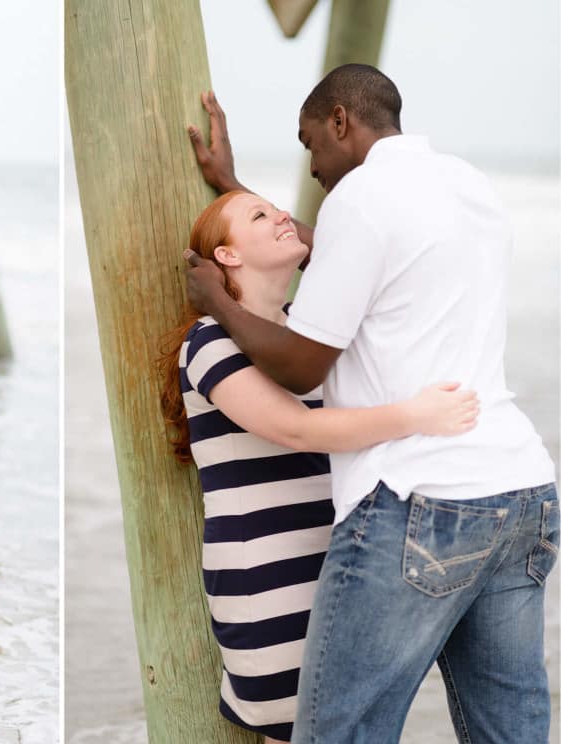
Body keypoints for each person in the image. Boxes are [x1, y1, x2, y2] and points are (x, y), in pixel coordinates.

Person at [182, 64, 558, 743]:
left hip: (422, 498)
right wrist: (233, 190)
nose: (314, 169)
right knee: (508, 730)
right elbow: (351, 254)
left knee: (339, 733)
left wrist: (214, 301)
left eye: (308, 145)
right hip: (520, 489)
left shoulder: (359, 199)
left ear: (339, 122)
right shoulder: (465, 183)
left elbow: (298, 368)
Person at [161, 189, 479, 743]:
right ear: (228, 258)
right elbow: (295, 428)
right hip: (265, 573)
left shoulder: (304, 343)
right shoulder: (209, 342)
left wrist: (235, 183)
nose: (284, 216)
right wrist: (416, 415)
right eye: (261, 216)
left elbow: (351, 261)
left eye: (278, 209)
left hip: (341, 570)